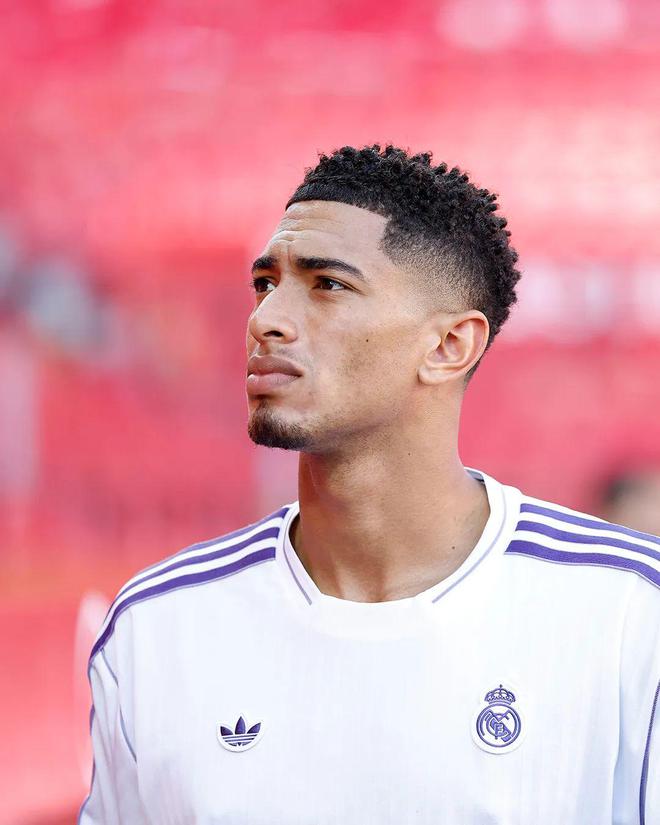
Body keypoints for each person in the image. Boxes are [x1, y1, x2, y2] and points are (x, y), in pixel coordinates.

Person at [79, 145, 660, 824]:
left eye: (327, 284)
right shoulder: (156, 627)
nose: (265, 319)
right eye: (265, 283)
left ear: (449, 346)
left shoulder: (629, 614)